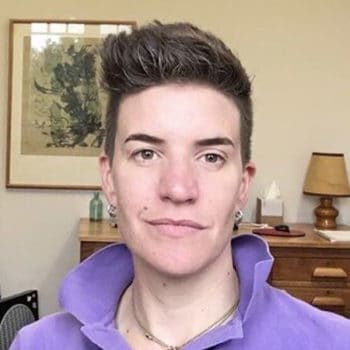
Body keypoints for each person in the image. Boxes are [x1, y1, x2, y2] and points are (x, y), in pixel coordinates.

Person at [10, 21, 350, 350]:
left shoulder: (335, 343)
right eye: (146, 153)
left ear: (242, 187)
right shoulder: (36, 344)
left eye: (211, 157)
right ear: (109, 179)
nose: (178, 188)